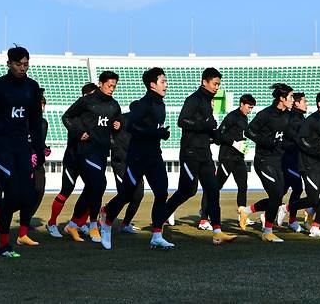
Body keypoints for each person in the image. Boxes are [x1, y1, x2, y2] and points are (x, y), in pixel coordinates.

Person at [0, 46, 46, 257]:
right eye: (18, 64)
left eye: (26, 64)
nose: (22, 68)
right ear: (9, 64)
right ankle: (4, 244)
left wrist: (39, 149)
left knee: (27, 196)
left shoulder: (32, 87)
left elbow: (35, 122)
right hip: (0, 148)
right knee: (12, 193)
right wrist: (3, 128)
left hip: (22, 148)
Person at [100, 68, 173, 250]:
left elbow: (152, 130)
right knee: (126, 195)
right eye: (163, 81)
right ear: (152, 84)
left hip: (154, 156)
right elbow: (131, 126)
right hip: (137, 157)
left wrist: (160, 134)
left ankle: (157, 235)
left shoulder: (161, 104)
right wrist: (155, 133)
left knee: (162, 193)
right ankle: (107, 224)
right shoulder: (144, 104)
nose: (166, 84)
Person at [165, 68, 237, 245]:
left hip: (205, 154)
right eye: (215, 84)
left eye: (219, 84)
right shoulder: (194, 99)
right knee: (187, 191)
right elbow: (182, 121)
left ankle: (217, 231)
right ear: (204, 82)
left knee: (213, 190)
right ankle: (160, 217)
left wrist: (222, 138)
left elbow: (209, 128)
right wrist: (205, 125)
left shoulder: (208, 101)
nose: (217, 87)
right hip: (190, 153)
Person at [61, 71, 122, 243]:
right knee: (99, 184)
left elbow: (117, 122)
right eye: (109, 86)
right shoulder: (86, 101)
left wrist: (118, 124)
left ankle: (73, 224)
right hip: (85, 151)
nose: (112, 89)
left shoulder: (114, 105)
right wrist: (78, 132)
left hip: (102, 152)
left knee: (91, 188)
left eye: (114, 86)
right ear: (101, 84)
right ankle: (94, 225)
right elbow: (66, 117)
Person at [239, 83, 293, 243]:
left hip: (278, 161)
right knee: (276, 196)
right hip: (263, 161)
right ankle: (267, 231)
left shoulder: (287, 115)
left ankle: (246, 211)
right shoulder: (266, 114)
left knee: (278, 196)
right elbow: (248, 131)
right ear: (282, 99)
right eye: (290, 96)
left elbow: (286, 137)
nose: (292, 99)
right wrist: (266, 141)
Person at [46, 83, 98, 238]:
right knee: (66, 191)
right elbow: (67, 121)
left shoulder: (94, 114)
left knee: (93, 190)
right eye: (93, 95)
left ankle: (78, 223)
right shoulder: (75, 113)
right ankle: (52, 223)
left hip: (87, 158)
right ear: (85, 96)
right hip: (73, 159)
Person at [198, 94, 256, 231]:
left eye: (252, 108)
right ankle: (203, 218)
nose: (250, 110)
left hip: (238, 158)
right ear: (242, 104)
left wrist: (243, 146)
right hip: (227, 158)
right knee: (214, 187)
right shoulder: (232, 117)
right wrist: (234, 143)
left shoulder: (244, 118)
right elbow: (219, 134)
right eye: (249, 107)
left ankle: (242, 215)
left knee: (243, 186)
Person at [296, 91, 320, 238]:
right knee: (313, 199)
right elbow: (301, 139)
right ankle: (285, 208)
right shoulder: (312, 120)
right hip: (309, 165)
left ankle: (315, 227)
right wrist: (314, 150)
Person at [109, 103, 144, 233]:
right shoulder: (122, 119)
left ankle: (125, 224)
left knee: (139, 194)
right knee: (125, 194)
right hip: (121, 163)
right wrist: (116, 124)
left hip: (136, 163)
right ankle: (106, 212)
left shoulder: (143, 124)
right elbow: (112, 126)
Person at [276, 92, 307, 232]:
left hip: (295, 160)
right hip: (289, 160)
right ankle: (292, 220)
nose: (307, 104)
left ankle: (266, 215)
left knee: (281, 190)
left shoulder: (300, 118)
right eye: (304, 101)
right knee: (298, 189)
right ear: (296, 103)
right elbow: (294, 140)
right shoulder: (293, 119)